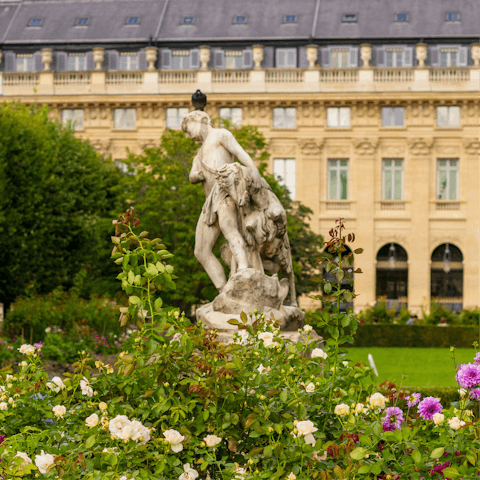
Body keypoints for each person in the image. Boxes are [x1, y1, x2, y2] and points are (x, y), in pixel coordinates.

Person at [182, 109, 263, 292]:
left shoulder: (220, 135)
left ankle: (243, 268)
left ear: (200, 120)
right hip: (209, 203)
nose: (189, 136)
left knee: (229, 229)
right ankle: (224, 290)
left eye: (188, 129)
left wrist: (253, 171)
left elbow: (239, 152)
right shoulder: (199, 153)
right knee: (200, 250)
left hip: (225, 192)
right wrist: (196, 175)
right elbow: (191, 175)